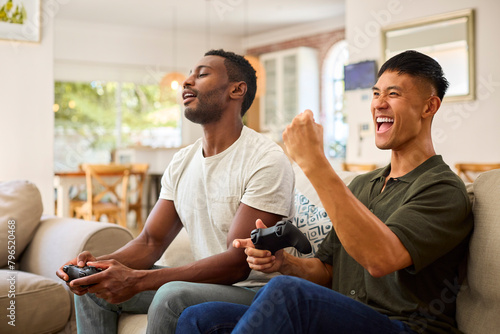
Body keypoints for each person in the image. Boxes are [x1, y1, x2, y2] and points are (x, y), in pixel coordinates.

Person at [175, 50, 474, 334]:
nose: (379, 104)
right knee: (199, 316)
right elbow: (326, 270)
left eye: (393, 94)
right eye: (375, 93)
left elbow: (380, 259)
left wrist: (314, 163)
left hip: (403, 327)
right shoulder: (362, 186)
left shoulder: (442, 189)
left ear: (429, 106)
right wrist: (284, 263)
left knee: (286, 294)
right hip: (342, 318)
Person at [56, 49, 295, 334]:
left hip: (255, 293)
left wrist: (138, 280)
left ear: (236, 89)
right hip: (206, 286)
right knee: (95, 285)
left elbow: (237, 264)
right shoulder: (183, 161)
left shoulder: (265, 158)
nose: (187, 82)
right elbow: (149, 242)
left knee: (171, 296)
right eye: (189, 75)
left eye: (202, 74)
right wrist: (99, 266)